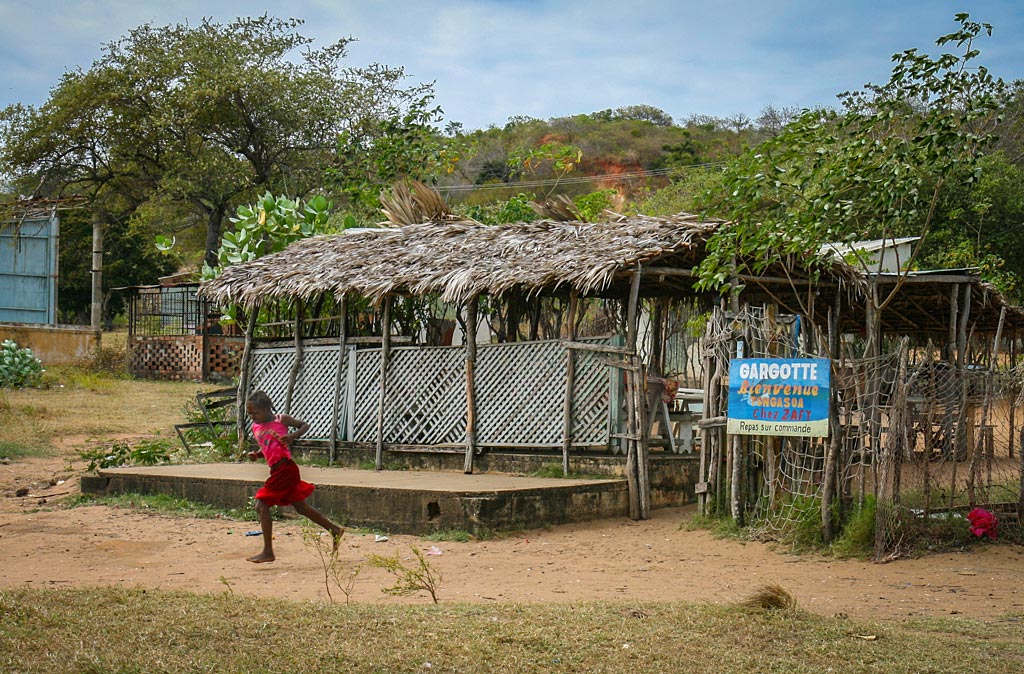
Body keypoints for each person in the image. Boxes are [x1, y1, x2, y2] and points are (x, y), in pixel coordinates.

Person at [244, 390, 343, 563]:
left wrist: (292, 436)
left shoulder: (281, 420)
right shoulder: (256, 427)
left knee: (261, 505)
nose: (252, 417)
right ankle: (334, 529)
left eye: (256, 413)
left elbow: (304, 425)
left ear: (267, 409)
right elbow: (267, 446)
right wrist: (257, 455)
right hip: (277, 470)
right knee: (301, 507)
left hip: (285, 469)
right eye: (249, 413)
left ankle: (268, 552)